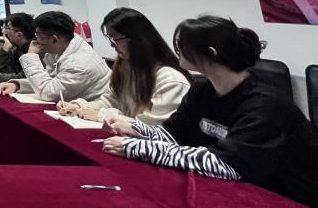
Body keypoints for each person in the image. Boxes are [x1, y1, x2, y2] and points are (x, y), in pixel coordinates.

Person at [102, 16, 318, 206]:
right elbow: (172, 134)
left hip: (290, 195)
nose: (177, 50)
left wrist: (137, 147)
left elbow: (224, 164)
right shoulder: (203, 90)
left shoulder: (266, 105)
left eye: (182, 45)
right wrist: (133, 127)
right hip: (238, 187)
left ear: (210, 53)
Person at [58, 8, 190, 125]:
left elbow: (153, 127)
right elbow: (112, 100)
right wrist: (80, 107)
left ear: (135, 39)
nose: (112, 45)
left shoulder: (170, 79)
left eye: (115, 39)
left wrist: (103, 116)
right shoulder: (126, 67)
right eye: (110, 39)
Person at [0, 10, 109, 101]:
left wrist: (31, 56)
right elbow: (51, 80)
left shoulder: (79, 64)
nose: (35, 41)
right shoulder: (62, 48)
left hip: (95, 112)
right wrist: (18, 85)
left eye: (38, 36)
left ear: (54, 39)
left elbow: (48, 93)